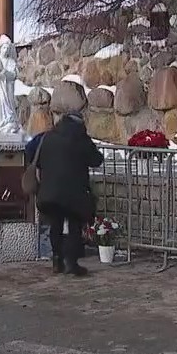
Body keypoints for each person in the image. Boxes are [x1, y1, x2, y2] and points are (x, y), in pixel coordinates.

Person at [31, 113, 103, 277]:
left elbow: (33, 156)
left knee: (55, 225)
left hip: (50, 192)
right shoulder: (80, 139)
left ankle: (57, 259)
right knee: (74, 227)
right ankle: (72, 262)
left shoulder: (48, 137)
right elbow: (96, 160)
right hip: (73, 194)